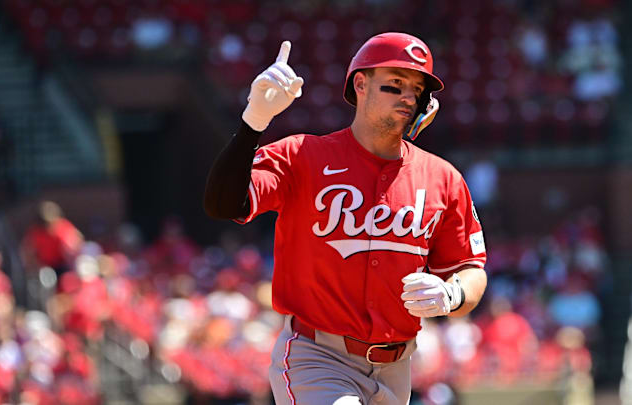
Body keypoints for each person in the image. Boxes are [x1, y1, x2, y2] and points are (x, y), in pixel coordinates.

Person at [204, 32, 488, 405]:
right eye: (396, 84)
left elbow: (471, 269)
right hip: (318, 355)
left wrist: (452, 294)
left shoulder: (442, 177)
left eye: (417, 89)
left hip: (398, 366)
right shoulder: (303, 155)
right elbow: (224, 204)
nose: (408, 96)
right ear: (361, 83)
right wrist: (253, 122)